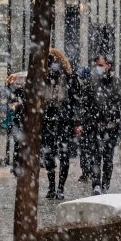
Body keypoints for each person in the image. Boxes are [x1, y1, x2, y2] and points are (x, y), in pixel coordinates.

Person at [82, 54, 121, 194]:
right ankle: (96, 184)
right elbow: (84, 103)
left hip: (111, 126)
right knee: (95, 156)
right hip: (95, 126)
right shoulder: (91, 82)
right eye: (96, 65)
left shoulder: (117, 83)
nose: (98, 68)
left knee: (108, 158)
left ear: (108, 66)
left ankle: (105, 185)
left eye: (101, 65)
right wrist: (81, 122)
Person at [41, 49, 78, 200]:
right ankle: (51, 186)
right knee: (48, 155)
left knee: (64, 155)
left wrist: (76, 121)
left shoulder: (69, 78)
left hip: (63, 121)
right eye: (49, 60)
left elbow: (76, 101)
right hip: (48, 120)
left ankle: (60, 187)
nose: (52, 63)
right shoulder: (43, 77)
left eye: (54, 60)